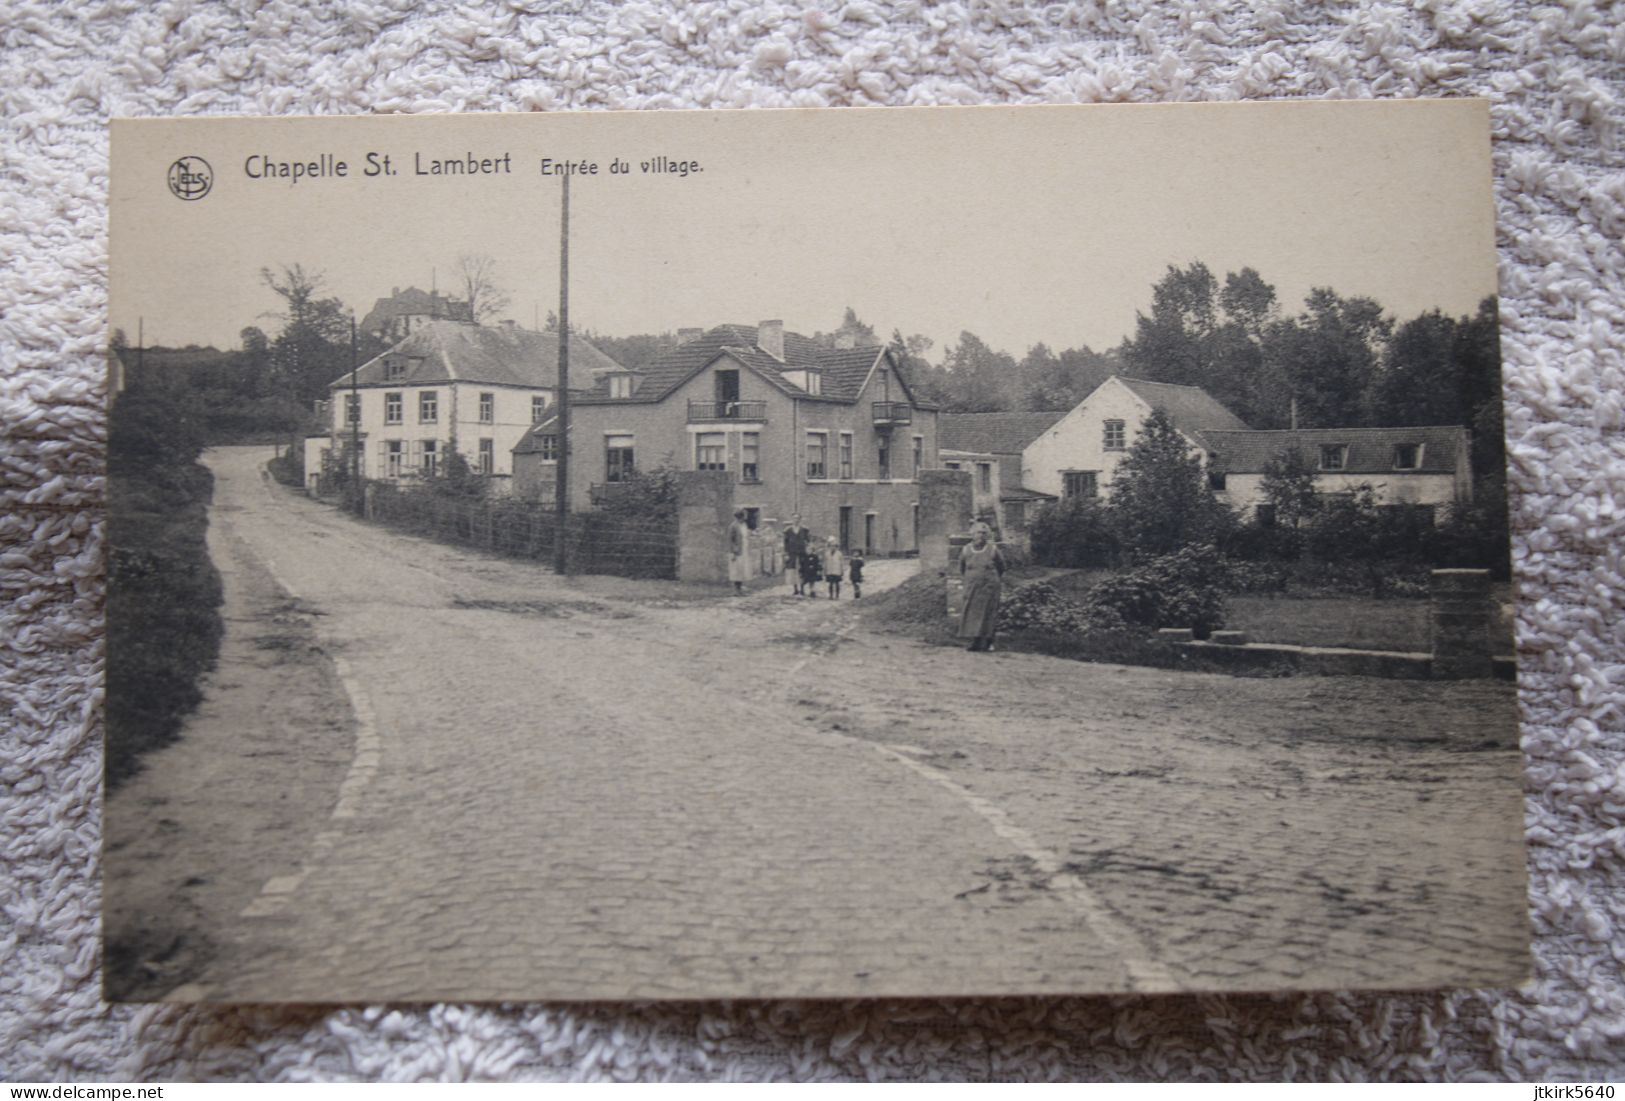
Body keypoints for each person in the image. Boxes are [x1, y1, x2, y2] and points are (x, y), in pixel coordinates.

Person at [958, 523, 1006, 652]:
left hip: (989, 587)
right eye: (978, 533)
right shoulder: (966, 550)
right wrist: (972, 579)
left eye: (984, 533)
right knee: (972, 614)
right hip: (973, 588)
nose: (981, 536)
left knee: (989, 613)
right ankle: (974, 641)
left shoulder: (993, 549)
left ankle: (989, 642)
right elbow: (962, 568)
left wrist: (990, 578)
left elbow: (1001, 567)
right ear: (972, 535)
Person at [783, 515, 809, 596]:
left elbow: (807, 541)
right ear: (792, 519)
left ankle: (802, 589)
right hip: (792, 553)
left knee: (802, 570)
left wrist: (807, 548)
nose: (796, 520)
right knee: (793, 571)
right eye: (794, 518)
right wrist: (786, 553)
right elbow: (785, 543)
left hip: (802, 553)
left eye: (798, 518)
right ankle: (795, 589)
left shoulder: (804, 530)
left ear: (800, 520)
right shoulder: (788, 530)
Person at [727, 509, 751, 595]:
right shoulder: (733, 526)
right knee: (736, 571)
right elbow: (730, 540)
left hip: (744, 550)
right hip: (737, 551)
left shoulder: (744, 525)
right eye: (743, 516)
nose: (744, 518)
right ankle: (736, 590)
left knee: (742, 570)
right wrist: (732, 552)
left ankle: (740, 589)